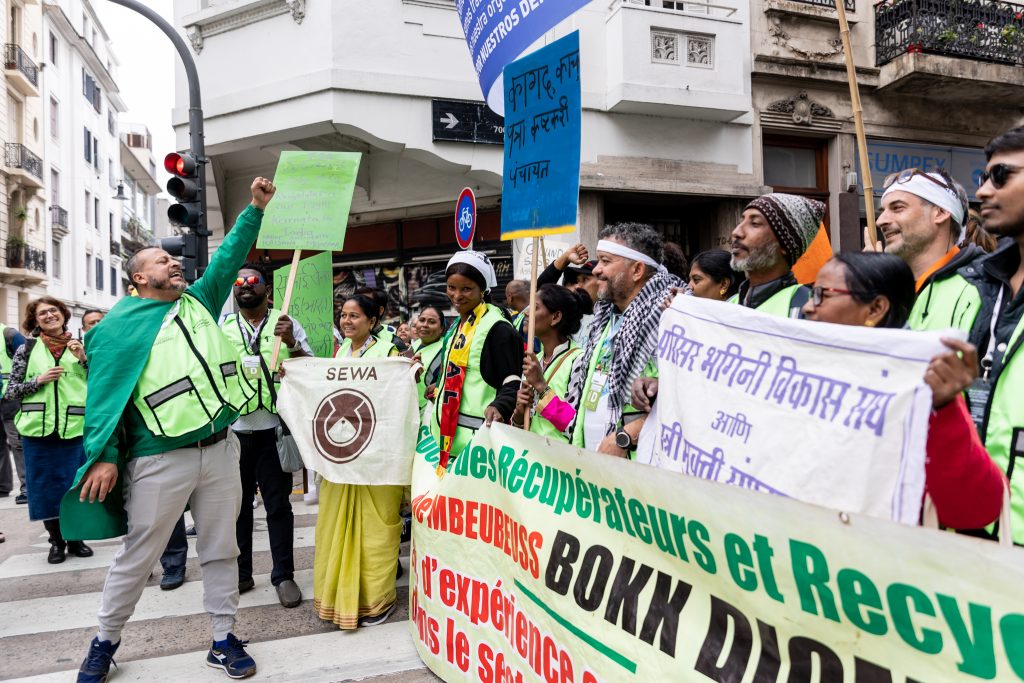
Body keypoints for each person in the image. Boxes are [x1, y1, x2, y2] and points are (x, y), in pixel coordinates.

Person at [68, 177, 276, 682]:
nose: (173, 263)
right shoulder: (114, 328)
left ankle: (223, 639)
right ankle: (104, 642)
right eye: (161, 261)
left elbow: (227, 258)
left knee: (222, 549)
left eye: (174, 259)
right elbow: (105, 402)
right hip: (159, 458)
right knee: (139, 556)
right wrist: (105, 457)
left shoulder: (199, 301)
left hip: (221, 449)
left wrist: (255, 208)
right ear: (139, 278)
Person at [801, 252, 1004, 529]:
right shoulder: (804, 373)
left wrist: (943, 409)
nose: (807, 307)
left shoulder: (925, 389)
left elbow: (977, 509)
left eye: (821, 295)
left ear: (875, 308)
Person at [221, 262, 311, 608]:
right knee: (238, 507)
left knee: (278, 506)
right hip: (235, 433)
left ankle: (283, 575)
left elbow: (308, 368)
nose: (245, 285)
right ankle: (242, 572)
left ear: (266, 289)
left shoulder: (286, 323)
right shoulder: (223, 326)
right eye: (239, 281)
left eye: (252, 280)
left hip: (274, 432)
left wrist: (291, 343)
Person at [313, 294, 404, 629]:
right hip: (344, 457)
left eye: (354, 316)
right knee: (334, 527)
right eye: (343, 315)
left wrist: (411, 374)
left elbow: (398, 399)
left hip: (378, 459)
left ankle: (377, 601)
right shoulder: (340, 354)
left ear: (372, 321)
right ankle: (340, 598)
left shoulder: (390, 354)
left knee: (376, 532)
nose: (347, 321)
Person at [959, 126, 1024, 544]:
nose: (982, 191)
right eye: (984, 178)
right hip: (974, 527)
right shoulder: (980, 282)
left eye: (1001, 176)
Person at [564, 223, 678, 457]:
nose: (596, 270)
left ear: (637, 270)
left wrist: (626, 436)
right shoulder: (605, 317)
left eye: (605, 261)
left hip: (639, 464)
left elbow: (684, 397)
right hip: (593, 460)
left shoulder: (670, 316)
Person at [5, 297, 91, 564]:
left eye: (53, 310)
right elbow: (11, 391)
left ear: (63, 315)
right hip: (37, 433)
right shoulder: (27, 350)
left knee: (75, 487)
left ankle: (76, 538)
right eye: (42, 313)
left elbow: (100, 383)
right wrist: (38, 381)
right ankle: (56, 541)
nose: (49, 315)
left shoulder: (81, 346)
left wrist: (83, 359)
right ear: (35, 320)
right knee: (45, 490)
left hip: (74, 430)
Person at [430, 251, 523, 470]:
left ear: (483, 290)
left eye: (466, 289)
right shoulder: (458, 325)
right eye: (451, 287)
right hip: (448, 446)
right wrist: (439, 386)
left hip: (479, 452)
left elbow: (512, 380)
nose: (457, 296)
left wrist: (500, 406)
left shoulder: (498, 329)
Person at [870, 168, 985, 333]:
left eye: (897, 208)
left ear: (941, 213)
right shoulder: (890, 289)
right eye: (882, 211)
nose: (880, 221)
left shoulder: (979, 290)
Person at [512, 285, 589, 441]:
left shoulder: (579, 360)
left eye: (535, 308)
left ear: (555, 317)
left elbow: (575, 426)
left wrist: (541, 387)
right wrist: (519, 413)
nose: (526, 312)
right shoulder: (535, 360)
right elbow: (522, 428)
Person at [730, 193, 825, 317]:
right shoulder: (728, 305)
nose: (736, 232)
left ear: (785, 245)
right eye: (741, 222)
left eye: (755, 223)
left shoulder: (808, 309)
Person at [0, 319, 27, 504]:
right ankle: (2, 486)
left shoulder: (8, 334)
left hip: (9, 399)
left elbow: (29, 359)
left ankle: (27, 487)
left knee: (18, 443)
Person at [410, 305, 447, 412]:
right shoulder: (415, 345)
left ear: (441, 328)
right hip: (411, 410)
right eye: (422, 320)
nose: (425, 325)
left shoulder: (446, 349)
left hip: (429, 413)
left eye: (432, 322)